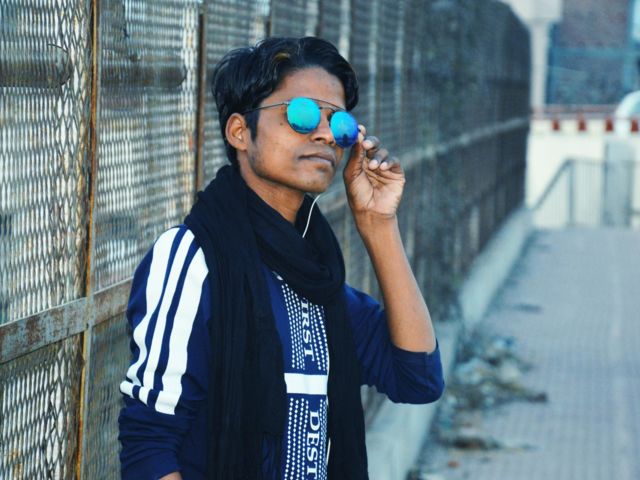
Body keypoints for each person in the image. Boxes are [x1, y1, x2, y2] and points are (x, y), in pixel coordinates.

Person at [118, 36, 444, 480]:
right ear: (240, 131)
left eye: (340, 123)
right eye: (302, 114)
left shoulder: (317, 278)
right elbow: (150, 444)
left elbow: (418, 379)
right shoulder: (194, 258)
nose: (325, 135)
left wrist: (378, 224)